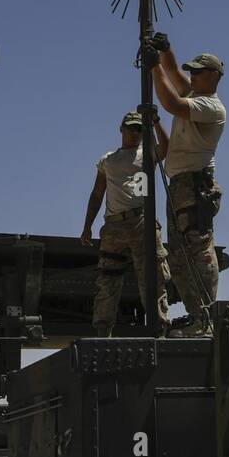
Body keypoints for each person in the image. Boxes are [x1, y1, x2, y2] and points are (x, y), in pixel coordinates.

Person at [146, 33, 226, 338]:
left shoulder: (211, 107)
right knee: (178, 257)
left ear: (213, 76)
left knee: (199, 251)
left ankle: (208, 316)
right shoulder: (196, 93)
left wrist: (155, 68)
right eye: (191, 71)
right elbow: (177, 78)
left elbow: (171, 103)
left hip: (194, 185)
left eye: (197, 72)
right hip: (180, 185)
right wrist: (166, 52)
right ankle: (198, 316)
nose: (191, 76)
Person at [81, 110, 171, 336]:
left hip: (141, 220)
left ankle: (159, 327)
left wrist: (156, 123)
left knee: (152, 278)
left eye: (139, 129)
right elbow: (97, 193)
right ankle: (103, 331)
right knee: (107, 280)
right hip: (113, 226)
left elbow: (167, 146)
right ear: (121, 129)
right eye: (130, 127)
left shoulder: (147, 153)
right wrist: (87, 225)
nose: (134, 132)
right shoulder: (108, 160)